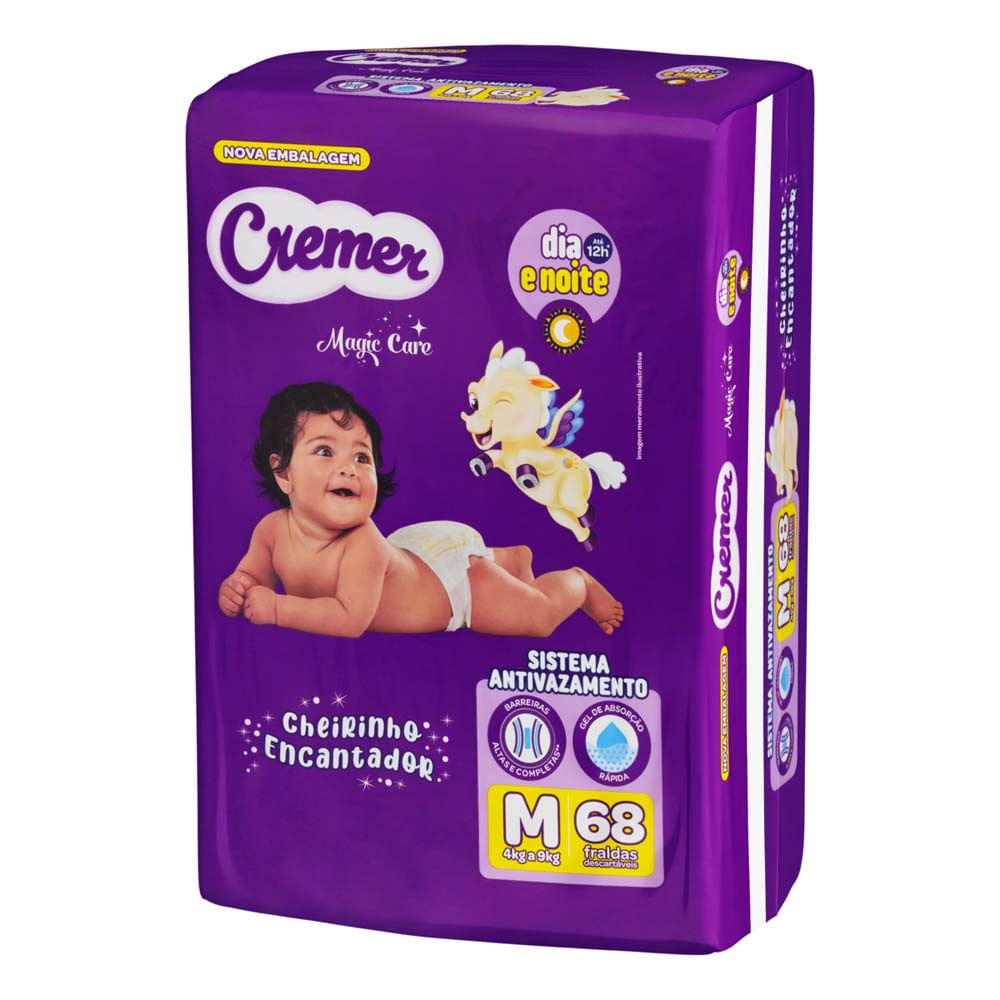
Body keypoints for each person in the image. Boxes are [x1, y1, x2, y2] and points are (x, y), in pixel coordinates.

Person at [219, 383, 624, 639]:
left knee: (538, 618)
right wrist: (238, 588)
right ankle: (510, 559)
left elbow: (348, 619)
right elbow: (253, 576)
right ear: (283, 473)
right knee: (452, 568)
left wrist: (277, 608)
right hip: (415, 554)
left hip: (455, 584)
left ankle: (578, 582)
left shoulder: (362, 545)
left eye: (362, 458)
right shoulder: (271, 530)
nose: (349, 468)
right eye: (325, 451)